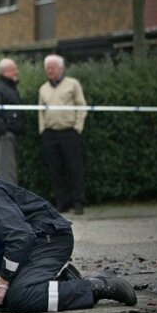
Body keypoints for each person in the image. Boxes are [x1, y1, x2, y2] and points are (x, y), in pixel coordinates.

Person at [0, 168, 136, 313]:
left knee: (20, 297)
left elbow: (21, 236)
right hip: (27, 246)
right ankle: (64, 282)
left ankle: (99, 287)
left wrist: (3, 281)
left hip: (48, 237)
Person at [38, 54, 87, 215]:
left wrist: (78, 127)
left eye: (52, 67)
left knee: (74, 168)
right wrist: (43, 130)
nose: (49, 71)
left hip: (69, 132)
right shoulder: (43, 89)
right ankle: (62, 202)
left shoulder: (72, 84)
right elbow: (40, 111)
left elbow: (81, 105)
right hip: (50, 134)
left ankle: (78, 202)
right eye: (47, 68)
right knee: (56, 170)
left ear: (61, 68)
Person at [0, 58, 25, 185]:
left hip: (13, 136)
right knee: (7, 173)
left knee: (10, 171)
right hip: (4, 138)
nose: (16, 72)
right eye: (14, 70)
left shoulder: (10, 88)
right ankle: (9, 201)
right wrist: (4, 132)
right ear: (5, 72)